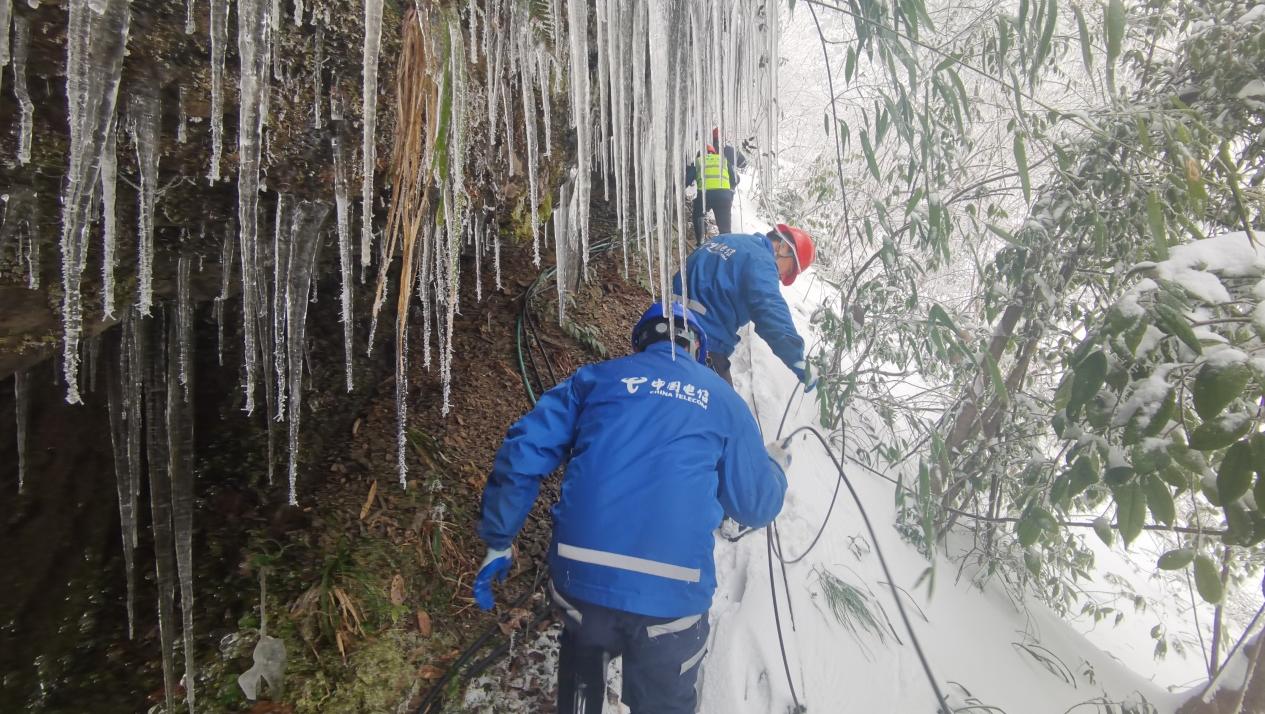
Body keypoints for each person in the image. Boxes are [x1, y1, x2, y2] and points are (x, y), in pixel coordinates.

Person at [472, 302, 790, 714]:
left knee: (581, 685)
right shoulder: (723, 400)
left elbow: (522, 452)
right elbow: (756, 506)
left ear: (641, 340)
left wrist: (498, 537)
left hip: (580, 582)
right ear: (697, 347)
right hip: (672, 600)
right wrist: (775, 469)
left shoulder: (596, 380)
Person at [671, 224, 818, 389]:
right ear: (784, 248)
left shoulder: (726, 239)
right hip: (701, 341)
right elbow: (770, 310)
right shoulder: (762, 261)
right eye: (788, 270)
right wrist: (797, 360)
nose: (780, 276)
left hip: (664, 320)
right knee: (726, 412)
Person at [684, 129, 746, 246]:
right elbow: (735, 178)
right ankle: (727, 247)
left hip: (705, 196)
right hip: (724, 197)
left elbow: (686, 180)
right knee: (725, 229)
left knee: (698, 213)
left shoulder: (699, 161)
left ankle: (700, 241)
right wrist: (729, 191)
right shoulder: (723, 160)